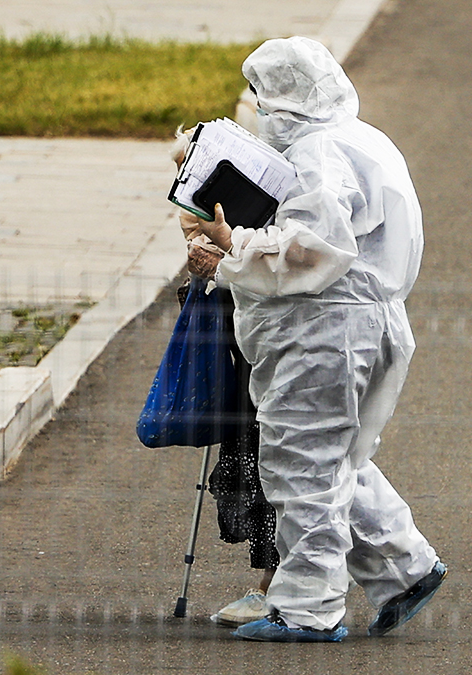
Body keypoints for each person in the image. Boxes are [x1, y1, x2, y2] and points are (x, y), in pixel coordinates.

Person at [181, 36, 446, 642]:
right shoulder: (362, 141)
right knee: (338, 459)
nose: (254, 110)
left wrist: (231, 247)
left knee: (303, 465)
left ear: (284, 99)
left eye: (259, 98)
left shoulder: (319, 153)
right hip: (359, 324)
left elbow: (311, 251)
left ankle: (308, 609)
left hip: (324, 330)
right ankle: (405, 567)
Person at [170, 137, 279, 628]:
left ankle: (277, 587)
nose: (179, 208)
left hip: (272, 367)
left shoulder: (253, 224)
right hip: (251, 370)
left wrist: (218, 267)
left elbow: (259, 283)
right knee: (265, 466)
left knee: (275, 469)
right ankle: (275, 583)